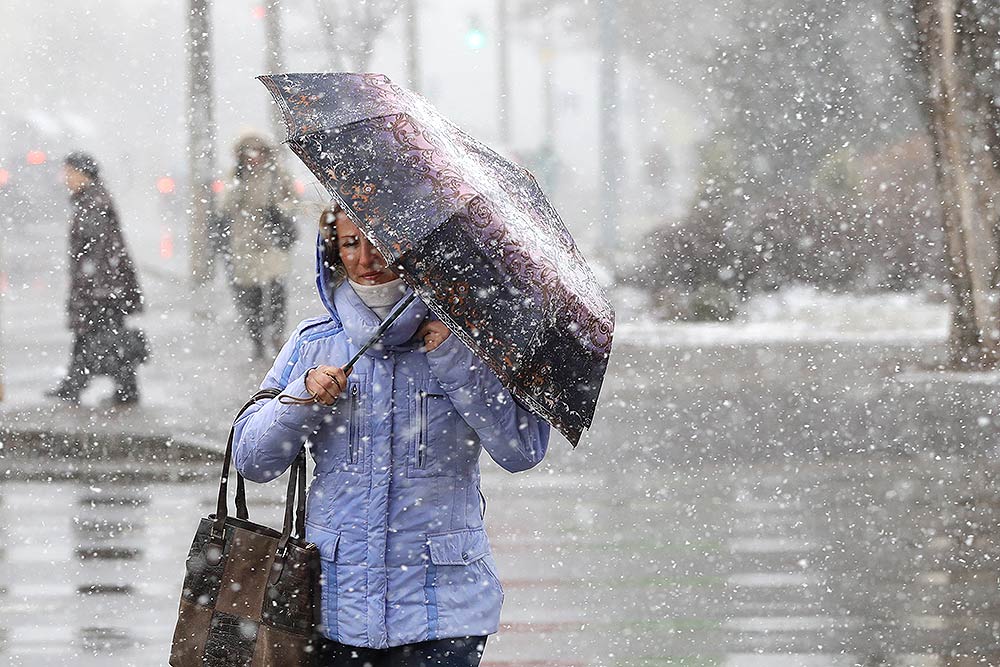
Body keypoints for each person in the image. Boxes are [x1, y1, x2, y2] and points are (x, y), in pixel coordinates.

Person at [232, 205, 550, 665]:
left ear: (413, 246)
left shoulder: (471, 341)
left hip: (447, 613)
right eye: (349, 243)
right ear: (333, 255)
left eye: (379, 239)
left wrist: (457, 362)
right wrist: (301, 398)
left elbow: (522, 449)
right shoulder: (313, 343)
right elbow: (253, 461)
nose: (366, 259)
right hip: (333, 605)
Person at [47, 152, 146, 406]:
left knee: (105, 337)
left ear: (83, 174)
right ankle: (81, 383)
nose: (65, 179)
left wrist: (96, 288)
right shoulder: (90, 199)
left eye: (69, 173)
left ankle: (115, 388)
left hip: (102, 287)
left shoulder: (92, 203)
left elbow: (101, 251)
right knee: (99, 336)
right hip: (104, 285)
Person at [218, 133, 297, 358]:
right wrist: (239, 183)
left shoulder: (277, 175)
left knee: (276, 291)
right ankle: (256, 337)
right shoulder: (235, 177)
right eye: (249, 153)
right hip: (244, 245)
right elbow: (225, 206)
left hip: (271, 243)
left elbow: (291, 201)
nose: (254, 158)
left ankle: (277, 334)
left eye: (258, 152)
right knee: (250, 296)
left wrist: (279, 209)